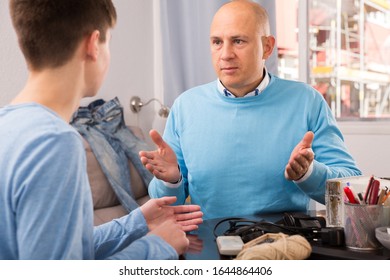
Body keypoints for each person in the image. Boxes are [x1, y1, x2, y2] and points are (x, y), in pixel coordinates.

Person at [0, 0, 202, 260]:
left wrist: (138, 221)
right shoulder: (55, 142)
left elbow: (66, 247)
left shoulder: (7, 125)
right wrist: (158, 247)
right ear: (93, 45)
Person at [139, 0, 362, 220]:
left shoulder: (307, 101)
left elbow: (350, 187)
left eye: (238, 41)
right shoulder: (185, 107)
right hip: (209, 246)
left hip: (284, 244)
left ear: (267, 47)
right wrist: (171, 180)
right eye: (217, 42)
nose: (225, 54)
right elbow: (168, 205)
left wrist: (309, 173)